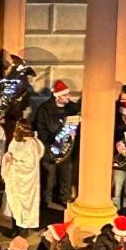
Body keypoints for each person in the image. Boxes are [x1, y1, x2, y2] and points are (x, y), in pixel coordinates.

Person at [34, 80, 80, 212]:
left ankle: (64, 199)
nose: (69, 97)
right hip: (50, 149)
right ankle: (46, 201)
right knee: (49, 177)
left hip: (67, 149)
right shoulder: (44, 109)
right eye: (65, 95)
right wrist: (54, 141)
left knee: (66, 175)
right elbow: (41, 129)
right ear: (57, 96)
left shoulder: (72, 108)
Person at [1, 121, 43, 234]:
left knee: (24, 206)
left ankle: (22, 230)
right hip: (14, 179)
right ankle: (14, 228)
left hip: (25, 181)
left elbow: (30, 164)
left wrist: (13, 161)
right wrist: (7, 158)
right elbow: (10, 152)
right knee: (13, 204)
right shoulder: (15, 140)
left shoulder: (31, 143)